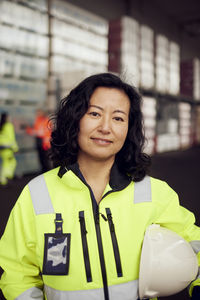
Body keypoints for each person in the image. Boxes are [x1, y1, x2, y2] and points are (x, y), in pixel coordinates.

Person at [0, 73, 200, 300]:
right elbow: (18, 275)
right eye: (95, 113)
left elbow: (195, 243)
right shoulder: (36, 195)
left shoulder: (153, 193)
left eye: (118, 118)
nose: (106, 127)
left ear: (128, 128)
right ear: (75, 119)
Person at [26, 108, 51, 173]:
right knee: (41, 159)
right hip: (39, 141)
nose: (37, 114)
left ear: (42, 113)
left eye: (38, 113)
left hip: (45, 143)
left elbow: (43, 132)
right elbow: (37, 131)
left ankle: (47, 172)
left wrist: (31, 131)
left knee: (45, 160)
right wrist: (31, 131)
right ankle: (43, 172)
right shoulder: (38, 120)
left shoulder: (46, 121)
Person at [0, 112, 18, 186]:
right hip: (8, 148)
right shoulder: (8, 125)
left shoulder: (1, 125)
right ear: (6, 118)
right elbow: (12, 138)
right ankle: (5, 178)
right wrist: (15, 148)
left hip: (2, 148)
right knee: (11, 162)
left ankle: (3, 179)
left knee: (5, 163)